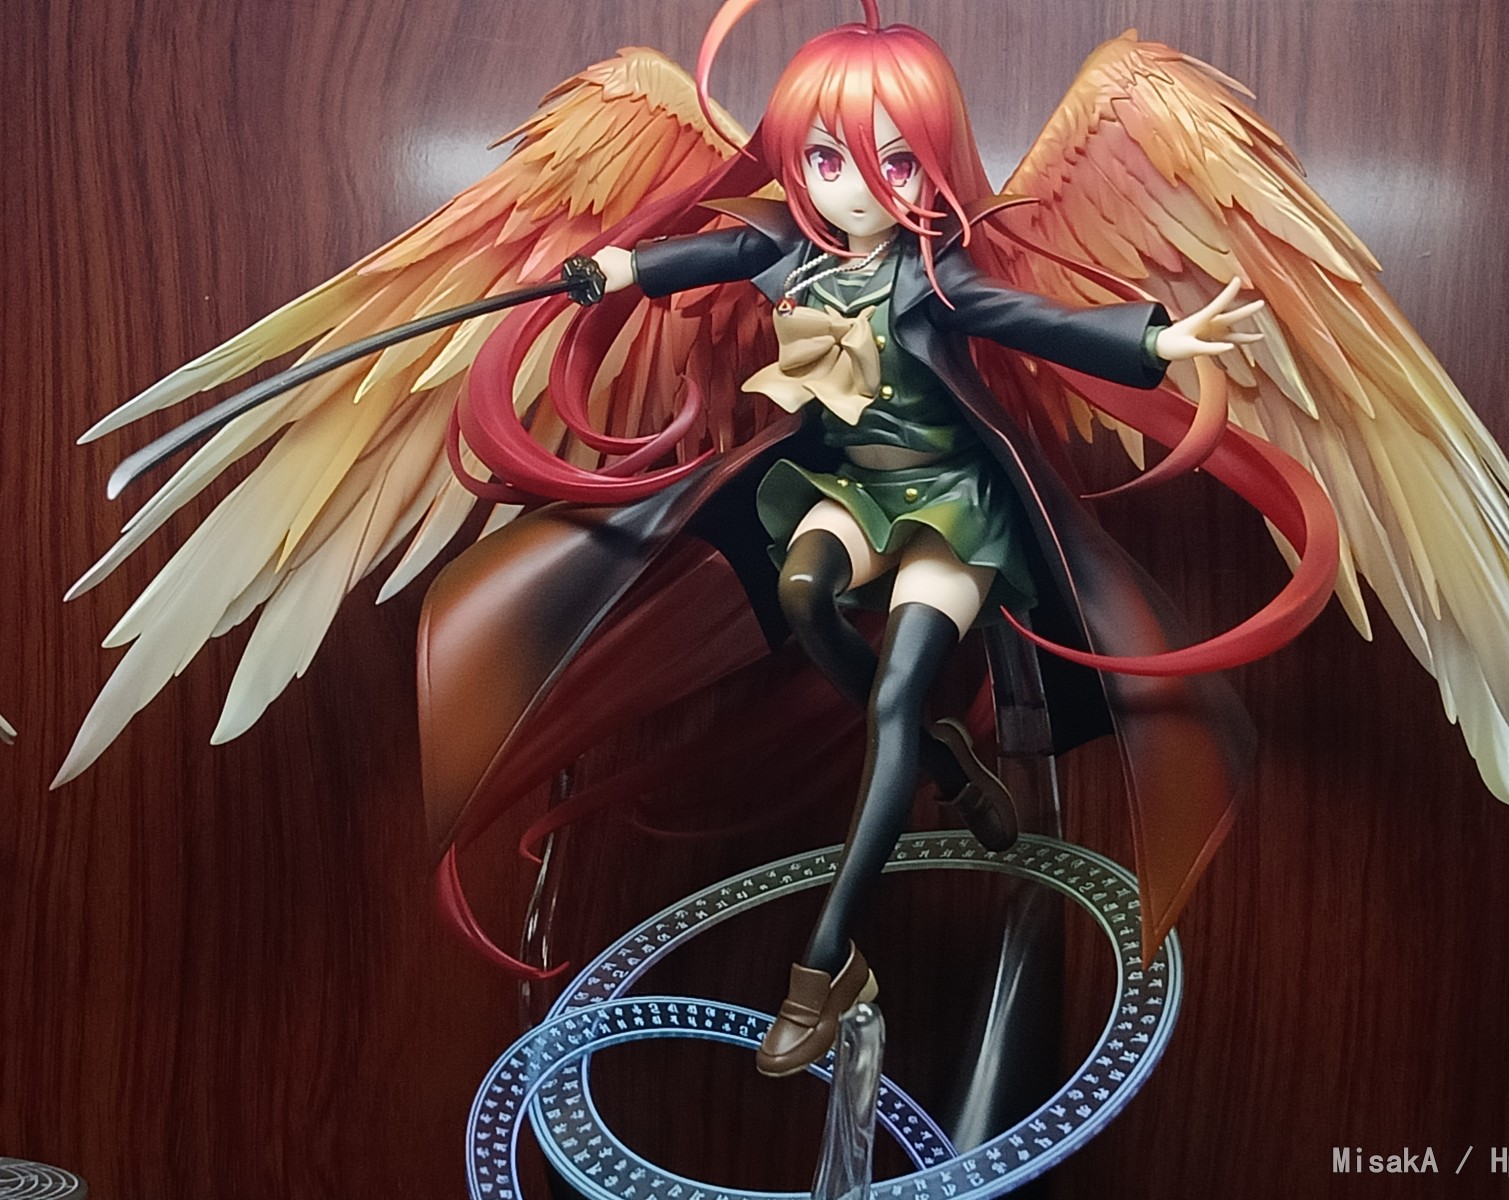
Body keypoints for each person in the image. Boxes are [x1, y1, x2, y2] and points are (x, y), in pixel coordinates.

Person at [458, 0, 1278, 1077]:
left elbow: (1032, 323)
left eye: (896, 161)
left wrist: (1158, 341)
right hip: (849, 489)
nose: (861, 187)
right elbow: (700, 252)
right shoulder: (785, 253)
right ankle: (942, 757)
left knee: (893, 697)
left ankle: (827, 959)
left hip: (952, 505)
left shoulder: (935, 278)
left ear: (935, 163)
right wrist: (609, 271)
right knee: (802, 596)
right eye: (828, 158)